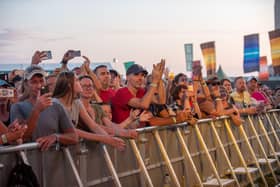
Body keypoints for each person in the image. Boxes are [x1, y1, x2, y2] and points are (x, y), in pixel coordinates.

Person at [52, 71, 126, 150]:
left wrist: (109, 139)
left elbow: (93, 125)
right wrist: (105, 139)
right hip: (53, 149)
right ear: (69, 85)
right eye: (77, 80)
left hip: (68, 150)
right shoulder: (55, 104)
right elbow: (72, 131)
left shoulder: (76, 102)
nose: (80, 83)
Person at [10, 64, 78, 150]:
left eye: (41, 81)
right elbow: (22, 137)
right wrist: (36, 111)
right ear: (26, 83)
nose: (38, 86)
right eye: (34, 82)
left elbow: (74, 137)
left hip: (53, 161)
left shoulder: (56, 105)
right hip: (30, 161)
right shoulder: (17, 107)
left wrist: (56, 137)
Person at [111, 60, 165, 127]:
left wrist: (159, 79)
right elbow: (143, 104)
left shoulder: (141, 91)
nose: (140, 78)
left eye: (142, 75)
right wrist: (154, 81)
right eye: (136, 75)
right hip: (122, 134)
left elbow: (160, 101)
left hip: (138, 133)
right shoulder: (122, 92)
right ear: (127, 77)